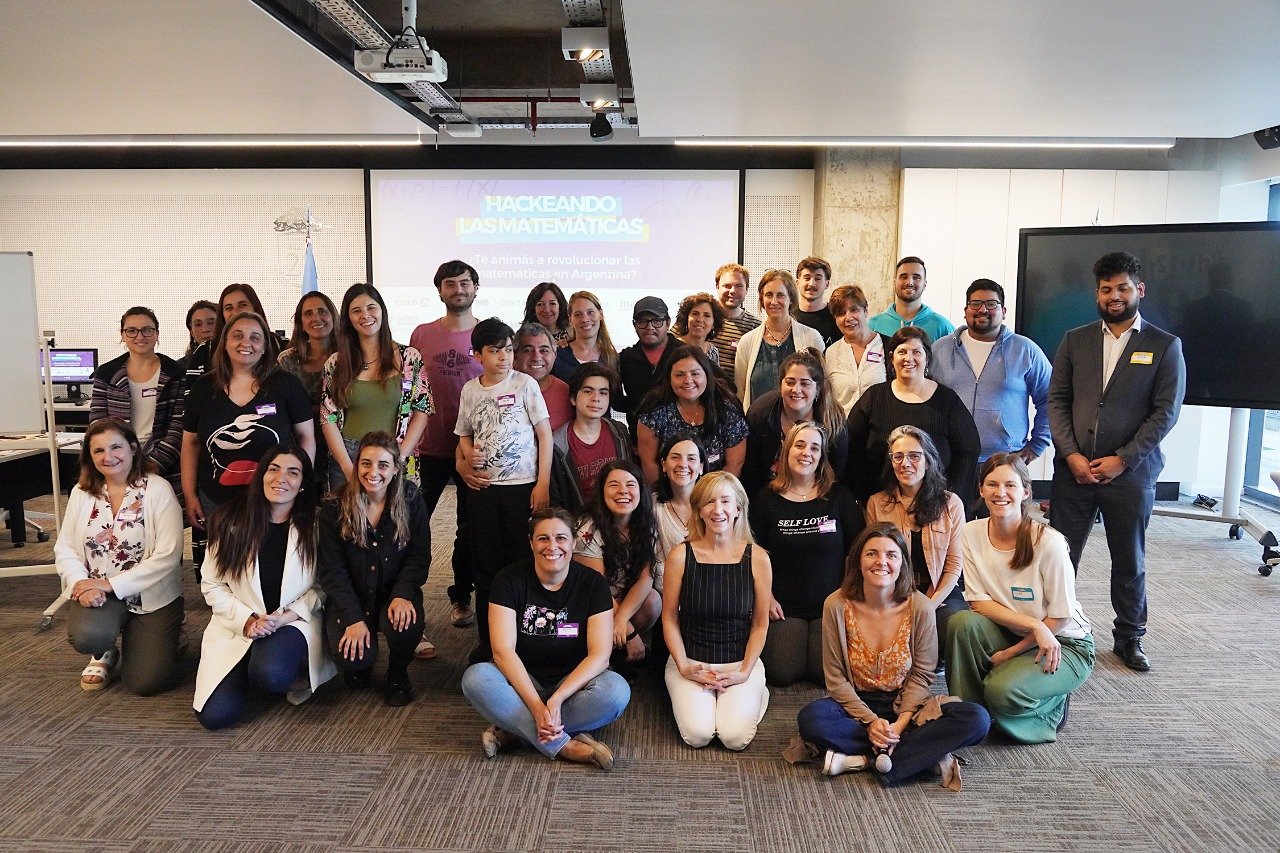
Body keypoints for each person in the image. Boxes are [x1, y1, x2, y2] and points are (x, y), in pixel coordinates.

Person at [1047, 251, 1185, 672]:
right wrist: (1070, 454)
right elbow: (1057, 401)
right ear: (1097, 293)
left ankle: (1129, 636)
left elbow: (1165, 413)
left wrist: (1123, 460)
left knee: (1128, 559)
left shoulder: (1164, 345)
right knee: (1059, 557)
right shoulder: (1075, 340)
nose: (1114, 296)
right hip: (1074, 472)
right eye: (1106, 289)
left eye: (1123, 287)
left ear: (1138, 290)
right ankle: (1055, 631)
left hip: (1131, 474)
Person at [796, 523, 990, 787]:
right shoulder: (836, 604)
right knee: (812, 719)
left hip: (906, 707)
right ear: (858, 562)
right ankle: (915, 757)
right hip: (855, 707)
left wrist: (899, 724)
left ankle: (863, 759)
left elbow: (922, 675)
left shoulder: (920, 606)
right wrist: (870, 722)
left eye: (891, 555)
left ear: (902, 564)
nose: (881, 562)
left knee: (977, 719)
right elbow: (835, 678)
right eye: (871, 553)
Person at [461, 507, 629, 769]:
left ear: (573, 543)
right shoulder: (508, 580)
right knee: (475, 678)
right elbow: (503, 652)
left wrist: (557, 698)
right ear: (531, 543)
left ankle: (516, 731)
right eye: (543, 538)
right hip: (522, 682)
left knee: (616, 693)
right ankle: (564, 745)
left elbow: (600, 655)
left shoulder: (593, 583)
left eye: (561, 538)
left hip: (573, 685)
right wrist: (537, 707)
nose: (552, 546)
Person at [947, 454, 1095, 743]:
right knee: (961, 623)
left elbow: (1061, 617)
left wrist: (1013, 651)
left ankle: (1051, 705)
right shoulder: (970, 532)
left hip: (1063, 642)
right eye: (992, 484)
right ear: (981, 490)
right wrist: (1034, 626)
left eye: (1010, 485)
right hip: (1019, 631)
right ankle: (972, 716)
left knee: (1000, 690)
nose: (1000, 493)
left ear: (1026, 492)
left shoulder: (1049, 542)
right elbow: (978, 602)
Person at [194, 445, 336, 728]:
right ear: (261, 475)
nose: (281, 478)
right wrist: (247, 621)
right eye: (274, 469)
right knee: (214, 717)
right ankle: (253, 665)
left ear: (303, 484)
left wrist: (285, 617)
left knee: (272, 675)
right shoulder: (228, 520)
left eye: (293, 472)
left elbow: (323, 586)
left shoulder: (317, 524)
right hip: (239, 623)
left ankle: (285, 670)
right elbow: (212, 583)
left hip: (292, 620)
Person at [54, 418, 184, 694]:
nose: (108, 457)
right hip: (99, 595)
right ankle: (104, 651)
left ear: (133, 448)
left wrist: (109, 584)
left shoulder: (158, 489)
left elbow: (168, 555)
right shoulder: (82, 492)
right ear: (89, 456)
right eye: (98, 450)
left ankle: (169, 635)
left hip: (151, 597)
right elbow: (65, 548)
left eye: (116, 447)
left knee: (145, 682)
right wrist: (81, 584)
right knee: (88, 636)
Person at [455, 318, 553, 662]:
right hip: (483, 490)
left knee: (522, 562)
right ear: (478, 355)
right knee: (485, 565)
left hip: (522, 489)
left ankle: (525, 640)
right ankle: (489, 641)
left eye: (509, 349)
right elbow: (464, 434)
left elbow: (544, 435)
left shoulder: (525, 384)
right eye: (495, 351)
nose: (504, 357)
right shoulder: (470, 390)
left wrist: (543, 483)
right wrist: (468, 455)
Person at [317, 432, 431, 706]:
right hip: (353, 596)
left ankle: (397, 671)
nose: (373, 472)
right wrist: (353, 619)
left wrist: (403, 593)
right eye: (366, 463)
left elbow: (419, 555)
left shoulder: (411, 498)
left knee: (405, 626)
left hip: (394, 592)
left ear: (396, 469)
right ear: (357, 465)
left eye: (383, 465)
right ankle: (364, 660)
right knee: (353, 661)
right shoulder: (334, 506)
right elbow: (332, 571)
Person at [662, 472, 772, 750]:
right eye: (709, 502)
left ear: (738, 510)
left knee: (734, 738)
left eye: (725, 501)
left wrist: (744, 672)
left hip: (739, 663)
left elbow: (760, 624)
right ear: (699, 510)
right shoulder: (679, 556)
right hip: (691, 662)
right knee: (698, 736)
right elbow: (669, 618)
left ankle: (755, 690)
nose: (717, 509)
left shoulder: (758, 557)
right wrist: (684, 667)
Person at [749, 421, 863, 686]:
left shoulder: (839, 497)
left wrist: (848, 596)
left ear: (821, 457)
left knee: (826, 675)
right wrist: (766, 598)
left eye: (814, 448)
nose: (806, 453)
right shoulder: (765, 499)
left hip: (831, 606)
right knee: (782, 672)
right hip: (783, 608)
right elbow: (751, 554)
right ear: (787, 450)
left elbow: (858, 552)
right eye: (799, 445)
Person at [181, 311, 315, 531]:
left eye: (255, 337)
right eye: (237, 336)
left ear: (265, 346)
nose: (246, 343)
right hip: (217, 500)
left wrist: (299, 483)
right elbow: (190, 443)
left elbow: (306, 437)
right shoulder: (203, 388)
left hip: (275, 499)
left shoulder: (286, 385)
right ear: (225, 343)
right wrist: (189, 494)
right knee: (224, 554)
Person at [409, 260, 483, 631]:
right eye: (450, 284)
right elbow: (409, 390)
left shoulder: (488, 334)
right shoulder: (422, 334)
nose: (458, 289)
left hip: (473, 452)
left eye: (464, 283)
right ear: (440, 290)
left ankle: (461, 595)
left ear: (476, 288)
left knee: (468, 529)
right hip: (428, 449)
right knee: (413, 524)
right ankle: (406, 596)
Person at [844, 326, 980, 507]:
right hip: (882, 503)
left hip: (936, 504)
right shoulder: (874, 397)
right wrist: (865, 495)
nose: (908, 358)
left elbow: (968, 450)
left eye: (916, 352)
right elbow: (851, 446)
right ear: (891, 358)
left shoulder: (947, 400)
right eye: (902, 352)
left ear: (927, 358)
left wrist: (951, 497)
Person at [865, 426, 968, 658]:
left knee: (955, 623)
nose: (905, 463)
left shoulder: (951, 504)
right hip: (894, 591)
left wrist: (929, 605)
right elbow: (876, 562)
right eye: (898, 457)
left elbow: (954, 564)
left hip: (940, 590)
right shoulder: (876, 504)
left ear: (928, 461)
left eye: (914, 456)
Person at [320, 283, 434, 489]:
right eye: (356, 311)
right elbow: (328, 418)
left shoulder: (409, 358)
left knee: (399, 510)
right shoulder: (336, 364)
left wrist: (398, 459)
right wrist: (347, 467)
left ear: (382, 311)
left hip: (396, 452)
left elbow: (421, 410)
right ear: (348, 319)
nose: (365, 315)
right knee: (347, 511)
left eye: (371, 307)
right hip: (349, 454)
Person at [930, 279, 1052, 470]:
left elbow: (1050, 398)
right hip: (950, 459)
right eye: (975, 303)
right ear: (965, 310)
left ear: (1003, 311)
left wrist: (1036, 446)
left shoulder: (1025, 350)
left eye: (991, 304)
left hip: (1005, 462)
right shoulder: (940, 349)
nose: (983, 309)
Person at [574, 460, 663, 664]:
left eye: (631, 484)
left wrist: (622, 619)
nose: (623, 491)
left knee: (653, 600)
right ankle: (602, 654)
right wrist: (630, 633)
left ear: (640, 491)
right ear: (601, 491)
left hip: (621, 599)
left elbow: (645, 578)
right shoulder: (587, 529)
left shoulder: (646, 523)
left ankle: (616, 653)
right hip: (590, 602)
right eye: (613, 485)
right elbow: (597, 588)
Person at [90, 307, 186, 493]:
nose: (140, 336)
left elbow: (179, 427)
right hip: (117, 463)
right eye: (132, 331)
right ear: (122, 335)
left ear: (157, 334)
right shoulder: (106, 374)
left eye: (147, 330)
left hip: (166, 466)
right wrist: (119, 460)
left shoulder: (176, 374)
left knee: (164, 510)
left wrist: (152, 465)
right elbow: (97, 424)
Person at [741, 348, 848, 497]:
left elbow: (836, 474)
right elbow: (750, 472)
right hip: (767, 496)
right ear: (780, 385)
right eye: (790, 382)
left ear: (818, 389)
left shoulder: (834, 420)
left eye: (805, 384)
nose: (796, 390)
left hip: (817, 496)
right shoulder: (759, 413)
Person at [635, 345, 747, 484]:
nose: (688, 381)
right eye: (680, 375)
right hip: (668, 489)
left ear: (707, 375)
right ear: (669, 378)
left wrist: (711, 495)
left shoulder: (727, 409)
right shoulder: (654, 410)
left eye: (695, 374)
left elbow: (734, 465)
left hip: (716, 490)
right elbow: (649, 464)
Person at [735, 269, 826, 408]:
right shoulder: (747, 342)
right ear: (762, 299)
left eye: (780, 295)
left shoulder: (812, 338)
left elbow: (822, 387)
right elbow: (740, 393)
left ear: (791, 299)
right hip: (758, 420)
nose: (774, 301)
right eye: (769, 295)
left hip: (800, 420)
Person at [550, 362, 632, 514]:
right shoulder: (557, 443)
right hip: (579, 521)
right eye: (588, 391)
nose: (596, 398)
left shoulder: (619, 432)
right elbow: (556, 498)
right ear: (573, 398)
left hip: (620, 516)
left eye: (603, 393)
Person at [276, 291, 339, 491]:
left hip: (343, 447)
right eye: (308, 313)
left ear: (333, 316)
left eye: (322, 311)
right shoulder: (287, 361)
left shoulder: (350, 357)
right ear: (300, 323)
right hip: (300, 445)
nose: (316, 318)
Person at [184, 283, 274, 385]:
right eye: (229, 308)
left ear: (255, 308)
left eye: (242, 305)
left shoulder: (281, 344)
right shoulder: (205, 350)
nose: (235, 312)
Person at [824, 284, 893, 415]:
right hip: (843, 426)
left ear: (865, 310)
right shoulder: (830, 353)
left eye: (854, 310)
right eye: (841, 313)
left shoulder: (888, 346)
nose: (848, 318)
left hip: (879, 424)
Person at [616, 296, 678, 432]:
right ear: (634, 325)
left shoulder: (686, 354)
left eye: (657, 321)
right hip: (638, 437)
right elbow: (614, 398)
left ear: (668, 322)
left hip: (681, 438)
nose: (649, 327)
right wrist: (637, 407)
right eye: (642, 321)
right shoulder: (625, 358)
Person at [868, 256, 956, 342]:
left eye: (916, 277)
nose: (909, 282)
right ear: (894, 282)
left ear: (925, 284)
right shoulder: (873, 325)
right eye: (903, 277)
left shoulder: (943, 328)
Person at [653, 432, 707, 572]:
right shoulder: (652, 506)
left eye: (691, 458)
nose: (683, 464)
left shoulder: (714, 506)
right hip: (663, 584)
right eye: (675, 457)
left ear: (701, 467)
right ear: (664, 464)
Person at [515, 323, 572, 432]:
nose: (536, 357)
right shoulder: (502, 390)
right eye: (528, 350)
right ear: (515, 355)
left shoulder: (567, 394)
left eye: (544, 350)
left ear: (554, 355)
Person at [552, 290, 619, 381]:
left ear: (601, 314)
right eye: (577, 315)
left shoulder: (613, 357)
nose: (584, 319)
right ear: (570, 319)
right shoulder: (557, 356)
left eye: (590, 312)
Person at [713, 262, 760, 379]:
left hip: (736, 390)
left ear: (747, 289)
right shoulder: (700, 318)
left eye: (739, 286)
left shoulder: (756, 327)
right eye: (727, 286)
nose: (732, 291)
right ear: (717, 286)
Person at [792, 256, 841, 347]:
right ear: (797, 283)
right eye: (807, 278)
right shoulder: (788, 316)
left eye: (818, 279)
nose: (811, 284)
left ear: (827, 284)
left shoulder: (837, 316)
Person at [672, 291, 725, 365]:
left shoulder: (713, 351)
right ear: (686, 318)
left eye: (706, 315)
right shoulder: (672, 347)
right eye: (695, 314)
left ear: (714, 324)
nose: (699, 319)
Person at [522, 281, 571, 345]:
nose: (547, 310)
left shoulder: (572, 336)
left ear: (560, 307)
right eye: (540, 304)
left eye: (552, 303)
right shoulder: (523, 339)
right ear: (533, 309)